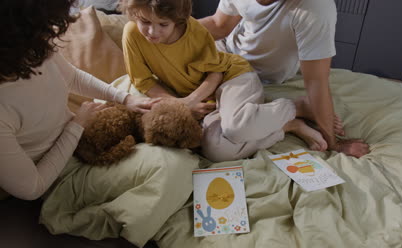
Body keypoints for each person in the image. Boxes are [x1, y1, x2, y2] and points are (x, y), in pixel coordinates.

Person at [120, 0, 330, 163]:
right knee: (216, 150)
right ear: (134, 14)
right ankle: (287, 126)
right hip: (203, 97)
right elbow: (144, 81)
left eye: (163, 25)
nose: (152, 32)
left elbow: (216, 72)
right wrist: (180, 105)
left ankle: (295, 107)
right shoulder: (131, 34)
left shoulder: (194, 31)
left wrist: (191, 100)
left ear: (176, 19)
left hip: (232, 76)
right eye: (145, 22)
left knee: (236, 128)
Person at [0, 0, 159, 200]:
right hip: (63, 173)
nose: (50, 32)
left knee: (142, 92)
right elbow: (33, 187)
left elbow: (72, 78)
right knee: (171, 164)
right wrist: (76, 126)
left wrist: (125, 99)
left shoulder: (34, 49)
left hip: (82, 130)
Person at [199, 0, 370, 158]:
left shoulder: (315, 8)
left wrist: (334, 144)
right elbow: (218, 25)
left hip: (246, 75)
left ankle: (297, 110)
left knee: (217, 148)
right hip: (223, 54)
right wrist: (177, 29)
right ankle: (289, 122)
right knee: (201, 130)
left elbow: (316, 82)